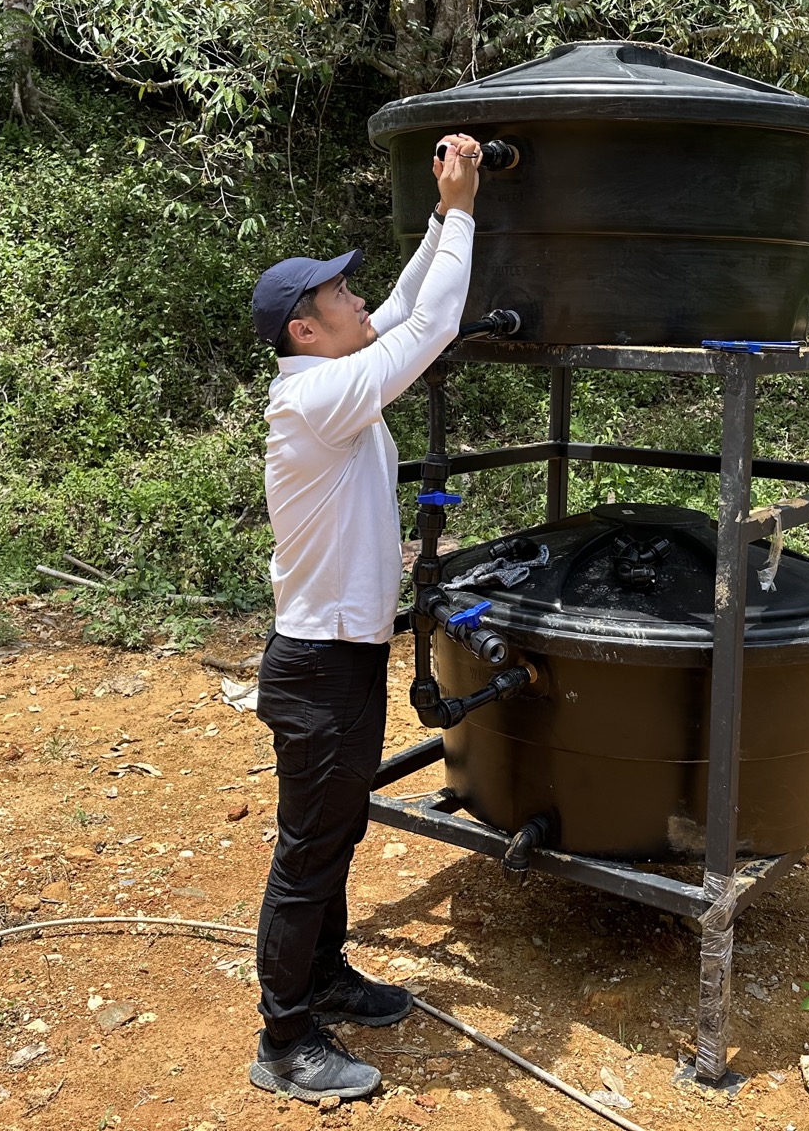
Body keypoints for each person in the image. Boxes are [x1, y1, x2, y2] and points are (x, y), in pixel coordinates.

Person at [244, 132, 483, 1102]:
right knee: (308, 851)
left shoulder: (331, 381)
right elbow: (430, 325)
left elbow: (401, 309)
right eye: (340, 294)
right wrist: (463, 210)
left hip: (340, 660)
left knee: (337, 833)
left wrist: (438, 218)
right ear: (306, 330)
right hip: (315, 668)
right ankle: (284, 1039)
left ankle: (325, 976)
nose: (358, 300)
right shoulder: (319, 400)